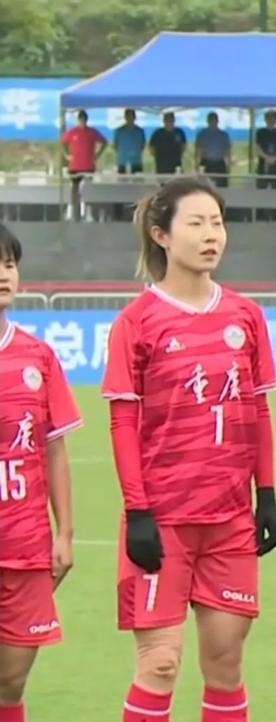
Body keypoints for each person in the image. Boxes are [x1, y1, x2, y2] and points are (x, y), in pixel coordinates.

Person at [104, 178, 276, 722]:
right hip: (163, 520)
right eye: (197, 224)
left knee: (226, 661)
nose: (212, 236)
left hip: (229, 521)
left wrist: (267, 495)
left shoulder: (246, 316)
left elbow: (258, 410)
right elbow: (123, 420)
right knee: (159, 664)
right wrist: (138, 510)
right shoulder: (136, 322)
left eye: (217, 223)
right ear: (161, 235)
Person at [0, 223, 81, 722]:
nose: (3, 274)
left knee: (10, 682)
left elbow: (54, 450)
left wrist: (64, 533)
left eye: (9, 264)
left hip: (26, 546)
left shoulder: (38, 356)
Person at [62, 109, 106, 220]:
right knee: (74, 189)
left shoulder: (92, 132)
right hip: (75, 166)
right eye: (80, 120)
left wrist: (97, 155)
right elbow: (63, 143)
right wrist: (67, 155)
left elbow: (104, 142)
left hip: (88, 166)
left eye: (84, 120)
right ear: (78, 120)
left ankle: (88, 211)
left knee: (88, 190)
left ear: (86, 120)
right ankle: (73, 212)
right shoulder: (72, 132)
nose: (82, 122)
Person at [195, 113, 232, 188]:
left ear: (217, 121)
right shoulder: (202, 134)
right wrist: (197, 165)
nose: (212, 122)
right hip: (206, 163)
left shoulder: (223, 134)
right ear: (207, 121)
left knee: (222, 187)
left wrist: (228, 165)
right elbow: (198, 151)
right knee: (205, 187)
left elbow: (228, 152)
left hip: (219, 164)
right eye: (210, 120)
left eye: (214, 120)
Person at [254, 110, 276, 190]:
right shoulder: (261, 132)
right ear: (265, 120)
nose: (271, 121)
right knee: (261, 188)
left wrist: (275, 158)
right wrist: (266, 157)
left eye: (272, 118)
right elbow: (257, 147)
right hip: (263, 165)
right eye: (268, 119)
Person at [149, 112, 187, 176]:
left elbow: (184, 146)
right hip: (161, 166)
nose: (169, 122)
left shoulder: (179, 132)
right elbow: (151, 149)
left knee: (177, 181)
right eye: (167, 120)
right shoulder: (158, 133)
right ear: (163, 120)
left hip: (176, 165)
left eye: (171, 119)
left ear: (174, 120)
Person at [114, 109, 146, 175]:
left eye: (131, 117)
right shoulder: (119, 131)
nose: (129, 119)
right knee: (122, 180)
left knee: (138, 180)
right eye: (128, 117)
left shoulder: (140, 131)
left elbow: (142, 145)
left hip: (136, 163)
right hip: (122, 162)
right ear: (125, 117)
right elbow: (115, 145)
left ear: (135, 118)